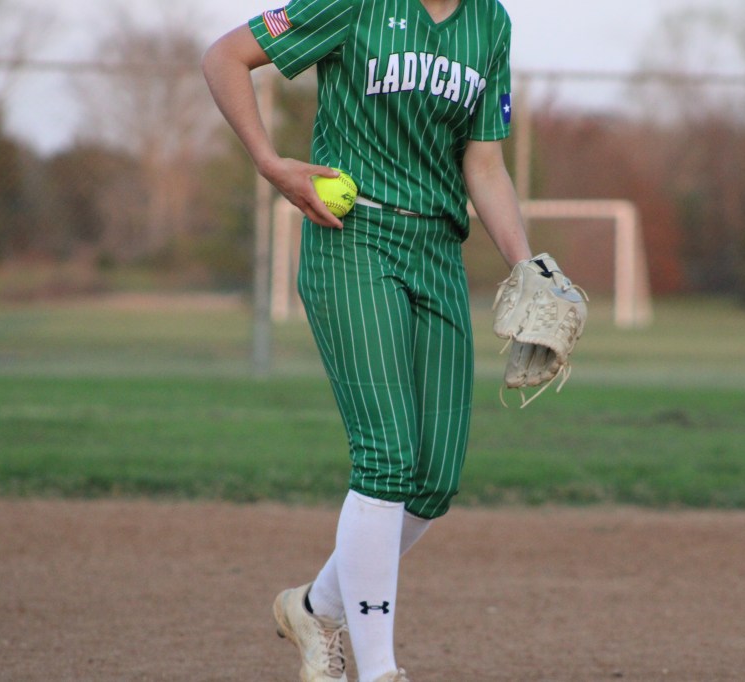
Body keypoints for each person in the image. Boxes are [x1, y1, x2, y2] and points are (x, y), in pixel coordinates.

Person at [202, 0, 533, 680]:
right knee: (386, 457)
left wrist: (527, 266)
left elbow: (484, 165)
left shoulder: (490, 23)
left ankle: (314, 607)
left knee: (434, 479)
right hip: (353, 239)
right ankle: (379, 671)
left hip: (437, 250)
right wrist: (270, 162)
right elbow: (226, 56)